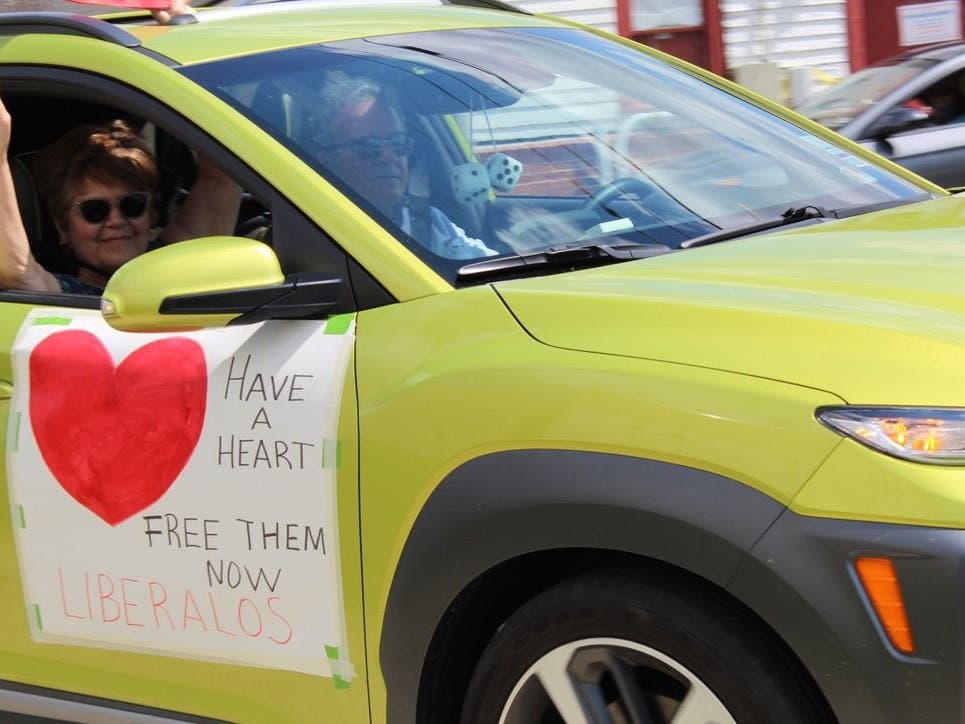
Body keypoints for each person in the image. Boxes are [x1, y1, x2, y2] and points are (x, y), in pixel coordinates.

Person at [0, 95, 241, 295]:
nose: (116, 220)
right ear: (64, 229)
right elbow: (19, 271)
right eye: (94, 211)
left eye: (132, 205)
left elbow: (222, 177)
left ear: (152, 213)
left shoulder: (178, 259)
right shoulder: (63, 293)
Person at [314, 72, 497, 260]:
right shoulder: (313, 230)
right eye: (368, 146)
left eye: (398, 143)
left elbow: (484, 262)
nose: (388, 156)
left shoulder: (427, 219)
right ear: (328, 162)